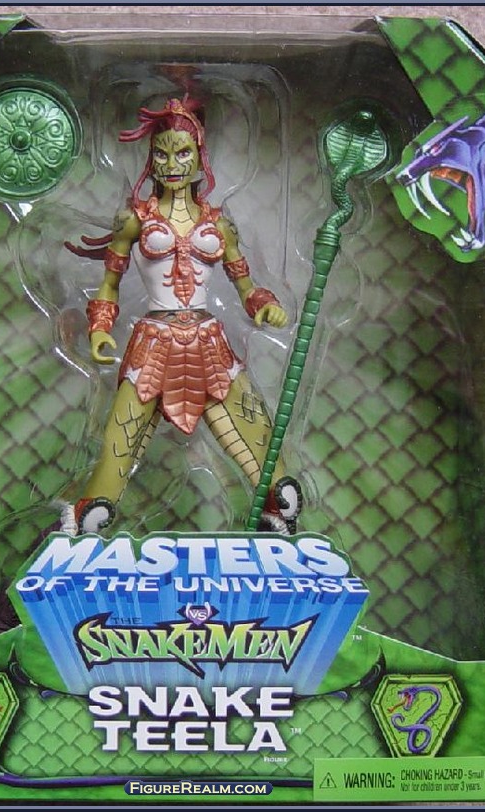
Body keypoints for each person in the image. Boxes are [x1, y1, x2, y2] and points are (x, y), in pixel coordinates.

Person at [61, 95, 301, 536]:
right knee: (121, 438)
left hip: (208, 341)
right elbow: (109, 285)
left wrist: (264, 305)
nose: (172, 164)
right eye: (162, 154)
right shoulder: (134, 219)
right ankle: (84, 520)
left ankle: (279, 509)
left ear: (199, 157)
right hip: (153, 341)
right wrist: (99, 328)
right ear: (151, 159)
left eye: (183, 153)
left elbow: (245, 284)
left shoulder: (219, 223)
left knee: (256, 430)